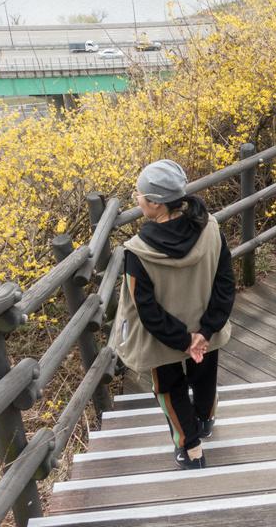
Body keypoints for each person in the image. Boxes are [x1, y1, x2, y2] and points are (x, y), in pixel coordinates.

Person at [114, 159, 235, 470]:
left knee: (169, 388)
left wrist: (184, 341)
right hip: (206, 329)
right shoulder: (211, 228)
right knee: (205, 374)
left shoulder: (137, 252)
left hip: (164, 339)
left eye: (138, 195)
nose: (136, 199)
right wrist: (204, 333)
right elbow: (225, 283)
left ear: (155, 204)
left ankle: (190, 448)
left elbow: (147, 311)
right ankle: (205, 419)